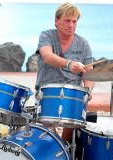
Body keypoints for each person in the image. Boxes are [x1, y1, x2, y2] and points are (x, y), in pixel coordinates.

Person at [35, 2, 95, 142]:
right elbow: (47, 56)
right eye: (67, 21)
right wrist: (69, 64)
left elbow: (89, 73)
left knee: (69, 136)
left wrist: (88, 90)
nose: (71, 25)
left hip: (73, 94)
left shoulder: (83, 44)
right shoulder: (46, 36)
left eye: (74, 21)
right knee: (48, 136)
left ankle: (67, 155)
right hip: (47, 92)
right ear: (56, 21)